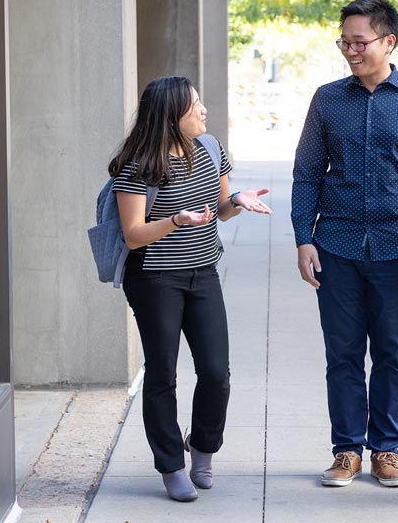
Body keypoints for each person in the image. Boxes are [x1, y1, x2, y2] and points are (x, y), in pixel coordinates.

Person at [291, 0, 398, 488]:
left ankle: (387, 449)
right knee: (341, 354)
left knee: (391, 354)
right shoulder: (327, 98)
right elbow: (307, 174)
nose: (350, 51)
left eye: (359, 42)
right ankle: (345, 450)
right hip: (335, 245)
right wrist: (303, 238)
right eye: (345, 42)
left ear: (388, 41)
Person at [110, 76, 272, 502]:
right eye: (195, 105)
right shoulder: (138, 166)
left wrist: (239, 201)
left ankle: (202, 449)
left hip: (203, 273)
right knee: (162, 373)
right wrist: (176, 221)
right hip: (154, 279)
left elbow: (219, 210)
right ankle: (170, 466)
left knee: (216, 373)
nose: (203, 110)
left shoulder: (211, 149)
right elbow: (132, 235)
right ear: (170, 115)